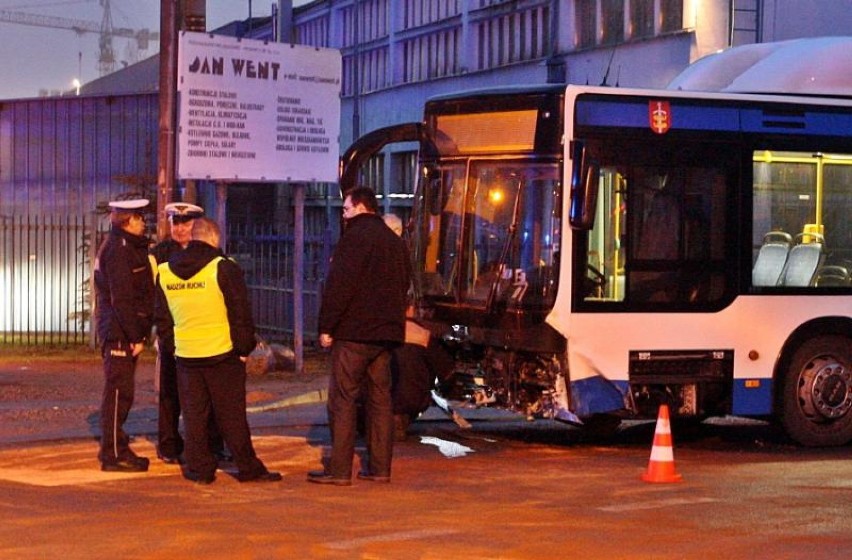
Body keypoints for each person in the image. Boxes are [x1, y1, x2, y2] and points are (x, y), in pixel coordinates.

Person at [154, 217, 281, 485]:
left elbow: (163, 320)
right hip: (223, 354)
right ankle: (248, 468)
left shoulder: (165, 272)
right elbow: (240, 313)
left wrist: (175, 347)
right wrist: (244, 349)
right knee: (231, 416)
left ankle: (200, 470)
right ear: (214, 238)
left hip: (186, 356)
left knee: (194, 416)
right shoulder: (222, 267)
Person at [308, 187, 410, 486]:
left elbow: (340, 286)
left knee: (343, 400)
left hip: (353, 334)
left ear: (361, 208)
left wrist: (327, 327)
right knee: (380, 401)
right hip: (385, 336)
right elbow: (404, 284)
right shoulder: (395, 242)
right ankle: (380, 468)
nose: (343, 214)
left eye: (346, 209)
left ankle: (339, 470)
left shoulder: (353, 239)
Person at [149, 202, 229, 465]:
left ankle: (212, 445)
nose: (179, 228)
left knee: (210, 396)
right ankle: (169, 445)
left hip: (203, 338)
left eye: (185, 222)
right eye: (175, 222)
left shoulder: (212, 253)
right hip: (172, 334)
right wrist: (161, 335)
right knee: (170, 393)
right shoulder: (159, 255)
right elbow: (153, 297)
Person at [94, 197, 155, 473]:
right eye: (140, 218)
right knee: (119, 393)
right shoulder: (119, 250)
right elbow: (123, 299)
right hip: (119, 332)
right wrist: (135, 336)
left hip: (120, 330)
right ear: (129, 221)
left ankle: (117, 446)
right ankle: (114, 454)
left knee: (121, 392)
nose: (144, 223)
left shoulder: (123, 246)